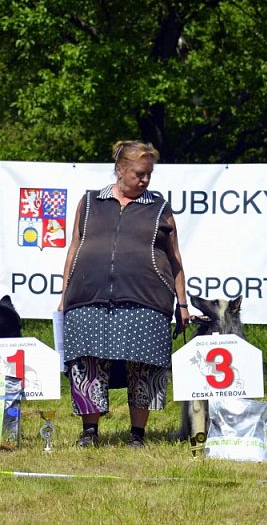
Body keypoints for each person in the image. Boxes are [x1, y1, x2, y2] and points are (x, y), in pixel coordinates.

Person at [59, 140, 190, 448]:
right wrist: (65, 292)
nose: (144, 180)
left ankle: (137, 435)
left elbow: (175, 258)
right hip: (87, 296)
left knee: (142, 367)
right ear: (120, 170)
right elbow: (74, 248)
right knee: (87, 364)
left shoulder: (158, 207)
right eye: (138, 174)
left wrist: (182, 303)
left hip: (146, 297)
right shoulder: (90, 202)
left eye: (148, 175)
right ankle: (89, 432)